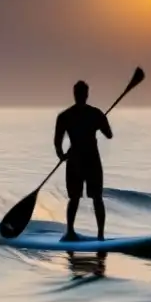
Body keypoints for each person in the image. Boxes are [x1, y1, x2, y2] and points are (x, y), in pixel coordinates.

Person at [54, 80, 113, 241]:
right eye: (80, 94)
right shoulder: (94, 114)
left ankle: (74, 232)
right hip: (88, 159)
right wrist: (101, 122)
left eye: (80, 94)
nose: (80, 96)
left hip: (78, 159)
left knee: (83, 198)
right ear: (85, 95)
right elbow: (109, 134)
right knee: (91, 198)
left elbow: (57, 142)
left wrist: (61, 155)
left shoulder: (66, 116)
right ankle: (97, 235)